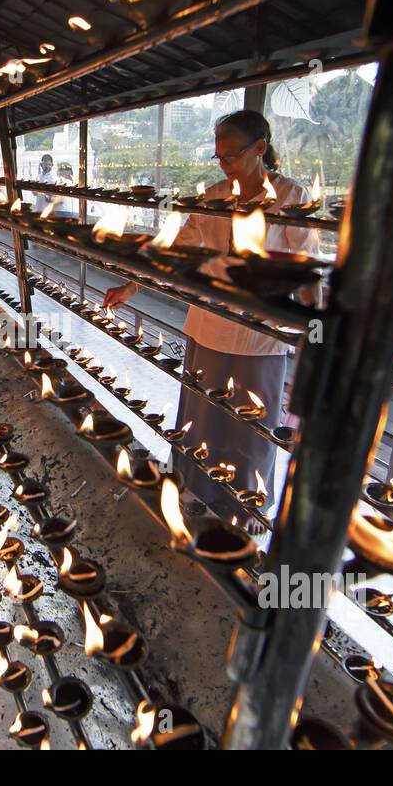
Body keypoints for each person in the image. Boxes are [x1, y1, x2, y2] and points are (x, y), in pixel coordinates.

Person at [103, 110, 319, 518]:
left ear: (260, 147)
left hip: (259, 335)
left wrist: (315, 333)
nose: (225, 165)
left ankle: (247, 506)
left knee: (251, 424)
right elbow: (174, 253)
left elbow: (307, 271)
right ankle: (194, 490)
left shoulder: (292, 198)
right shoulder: (214, 197)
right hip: (207, 325)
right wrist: (131, 286)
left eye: (232, 155)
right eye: (219, 157)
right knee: (201, 415)